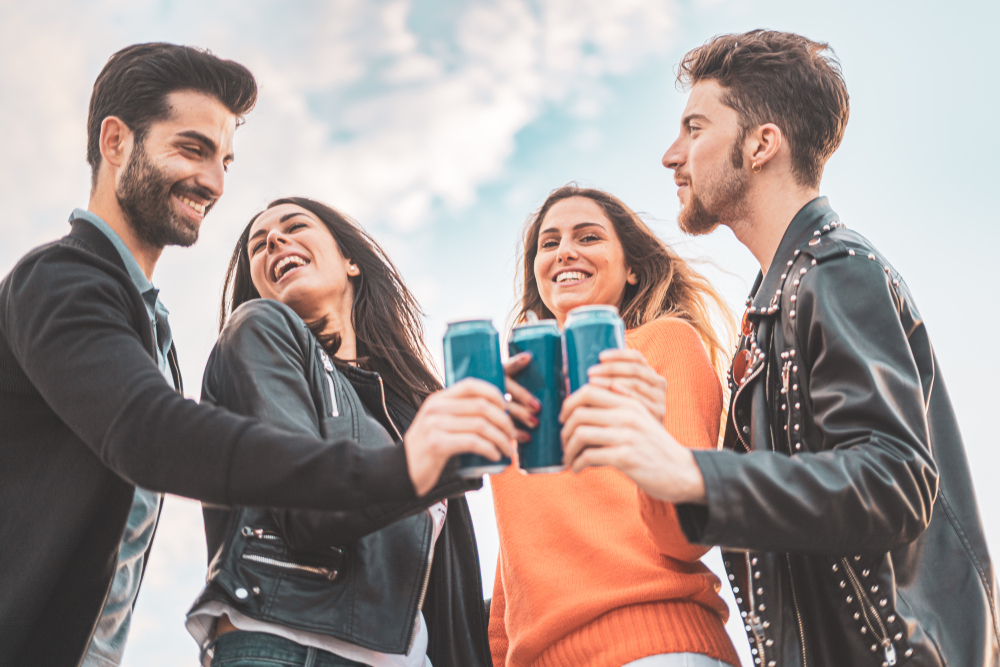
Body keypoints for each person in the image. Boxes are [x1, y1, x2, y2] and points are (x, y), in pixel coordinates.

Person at [0, 44, 511, 667]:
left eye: (224, 160)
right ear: (115, 143)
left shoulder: (150, 333)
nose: (214, 182)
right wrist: (405, 468)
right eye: (191, 148)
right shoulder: (60, 278)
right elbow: (148, 432)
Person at [561, 30, 1000, 666]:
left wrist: (691, 471)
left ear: (761, 143)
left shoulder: (836, 269)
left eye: (694, 127)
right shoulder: (771, 309)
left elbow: (895, 479)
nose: (670, 154)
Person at [184, 197, 500, 667]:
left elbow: (446, 595)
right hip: (286, 646)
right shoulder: (257, 328)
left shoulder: (410, 407)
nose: (274, 240)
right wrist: (436, 461)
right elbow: (304, 506)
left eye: (294, 225)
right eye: (258, 245)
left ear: (351, 261)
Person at [489, 185, 740, 667]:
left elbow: (691, 527)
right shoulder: (520, 390)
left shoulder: (663, 343)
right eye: (550, 242)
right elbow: (515, 573)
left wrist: (640, 442)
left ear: (631, 269)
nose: (565, 251)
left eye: (588, 237)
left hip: (656, 646)